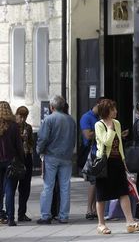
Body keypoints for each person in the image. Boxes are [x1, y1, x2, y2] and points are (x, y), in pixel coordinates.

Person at [94, 99, 139, 235]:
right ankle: (101, 224)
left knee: (123, 192)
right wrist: (109, 129)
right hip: (104, 164)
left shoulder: (117, 123)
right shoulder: (99, 125)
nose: (116, 111)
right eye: (113, 109)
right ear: (106, 111)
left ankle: (130, 222)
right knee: (101, 194)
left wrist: (124, 161)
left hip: (117, 162)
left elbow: (119, 144)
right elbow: (106, 141)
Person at [36, 95, 77, 224]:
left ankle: (46, 215)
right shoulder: (71, 120)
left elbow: (43, 138)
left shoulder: (49, 119)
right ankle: (64, 215)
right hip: (66, 157)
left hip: (51, 156)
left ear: (51, 107)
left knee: (48, 186)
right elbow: (74, 139)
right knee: (65, 187)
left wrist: (39, 151)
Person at [79, 97, 105, 220]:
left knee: (98, 182)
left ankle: (94, 208)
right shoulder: (87, 117)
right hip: (92, 153)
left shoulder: (99, 117)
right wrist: (101, 129)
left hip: (100, 152)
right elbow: (88, 135)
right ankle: (89, 209)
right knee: (93, 182)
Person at [0, 101, 24, 226]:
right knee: (9, 190)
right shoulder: (14, 126)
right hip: (11, 161)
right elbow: (19, 146)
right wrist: (22, 159)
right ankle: (10, 218)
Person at [15, 106, 35, 222]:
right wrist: (20, 138)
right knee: (12, 187)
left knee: (25, 187)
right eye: (20, 116)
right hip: (16, 158)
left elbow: (32, 142)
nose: (22, 119)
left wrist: (28, 142)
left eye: (24, 116)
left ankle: (22, 213)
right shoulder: (13, 127)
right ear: (16, 114)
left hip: (26, 157)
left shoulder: (28, 127)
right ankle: (9, 212)